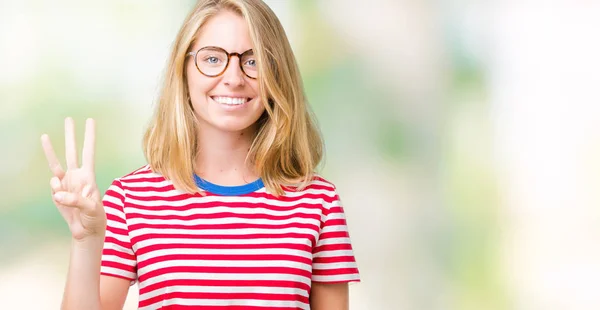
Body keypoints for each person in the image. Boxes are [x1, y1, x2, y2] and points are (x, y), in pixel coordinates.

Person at [41, 0, 360, 309]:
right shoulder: (130, 199)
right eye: (212, 59)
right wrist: (85, 242)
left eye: (253, 61)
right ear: (183, 69)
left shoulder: (319, 202)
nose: (234, 79)